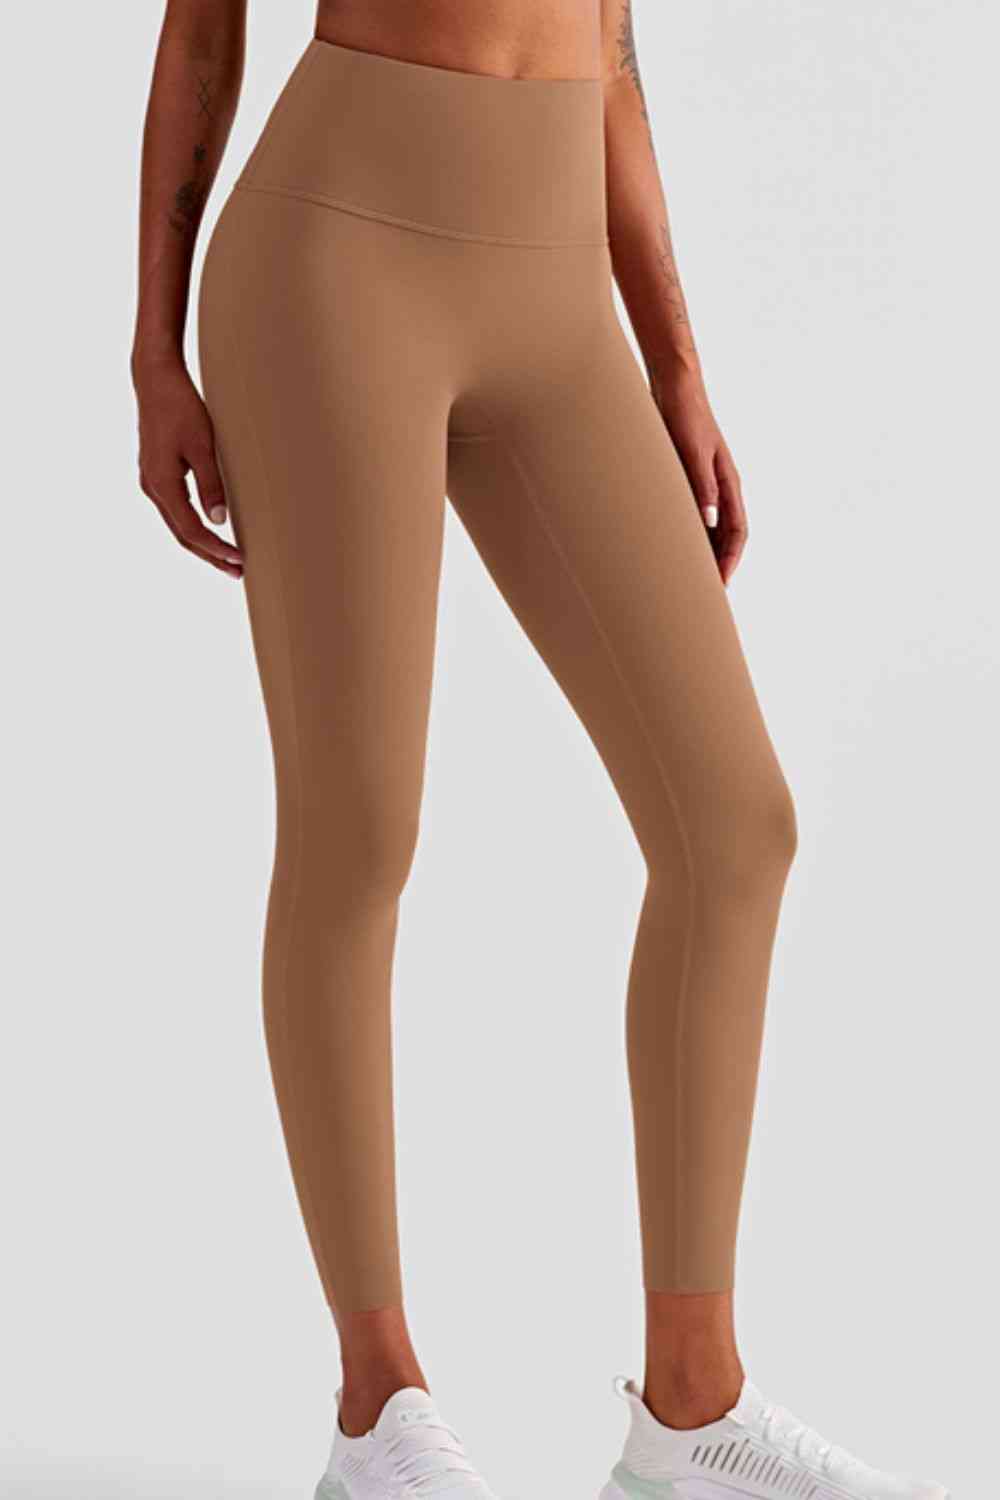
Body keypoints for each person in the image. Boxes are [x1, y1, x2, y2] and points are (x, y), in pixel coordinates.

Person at [132, 3, 947, 1499]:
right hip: (337, 251)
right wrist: (152, 346)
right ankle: (378, 1411)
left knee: (734, 829)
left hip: (557, 285)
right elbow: (202, 28)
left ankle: (690, 1413)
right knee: (358, 831)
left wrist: (675, 362)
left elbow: (612, 42)